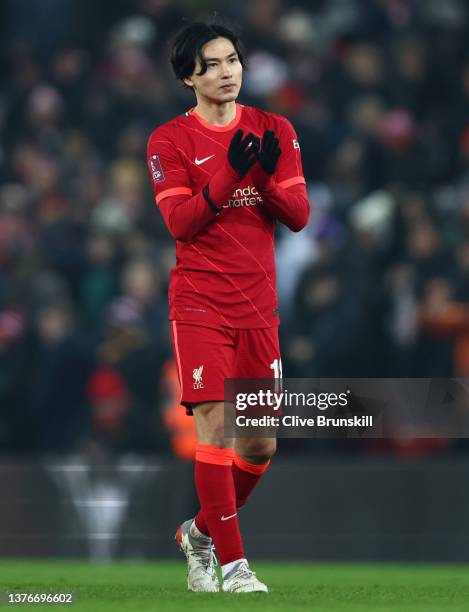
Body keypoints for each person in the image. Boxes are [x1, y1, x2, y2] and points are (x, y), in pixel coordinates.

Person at [146, 21, 310, 594]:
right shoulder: (169, 141)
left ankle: (200, 532)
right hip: (199, 302)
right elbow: (180, 222)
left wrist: (260, 179)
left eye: (233, 60)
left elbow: (298, 215)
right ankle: (235, 567)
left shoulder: (275, 128)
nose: (227, 71)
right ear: (189, 76)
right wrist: (230, 174)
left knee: (260, 443)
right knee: (215, 429)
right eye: (212, 64)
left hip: (258, 307)